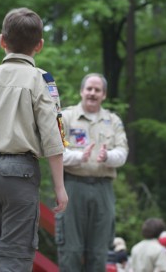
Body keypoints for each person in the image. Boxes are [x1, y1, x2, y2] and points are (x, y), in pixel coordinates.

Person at [0, 7, 68, 272]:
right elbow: (54, 138)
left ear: (3, 42)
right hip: (19, 174)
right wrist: (60, 187)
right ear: (39, 45)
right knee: (16, 258)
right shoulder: (44, 80)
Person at [55, 73, 129, 272]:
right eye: (89, 89)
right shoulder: (66, 116)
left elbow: (122, 153)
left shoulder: (113, 121)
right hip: (72, 185)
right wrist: (80, 157)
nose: (92, 93)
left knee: (99, 251)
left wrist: (107, 157)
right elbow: (55, 151)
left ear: (104, 94)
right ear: (81, 91)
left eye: (97, 90)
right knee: (71, 249)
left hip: (103, 188)